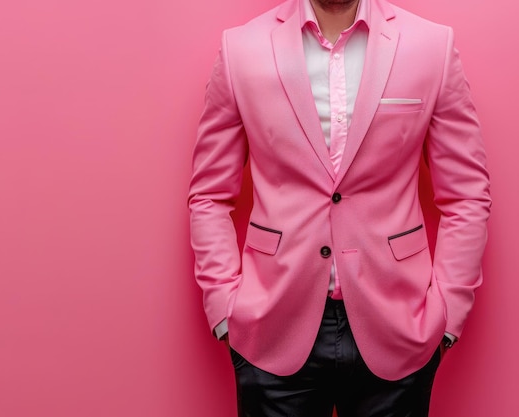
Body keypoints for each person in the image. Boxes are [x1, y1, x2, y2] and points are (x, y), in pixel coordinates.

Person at [188, 0, 491, 415]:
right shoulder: (241, 47)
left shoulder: (431, 45)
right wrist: (224, 305)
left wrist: (448, 313)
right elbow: (209, 192)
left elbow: (466, 193)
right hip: (272, 322)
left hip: (400, 322)